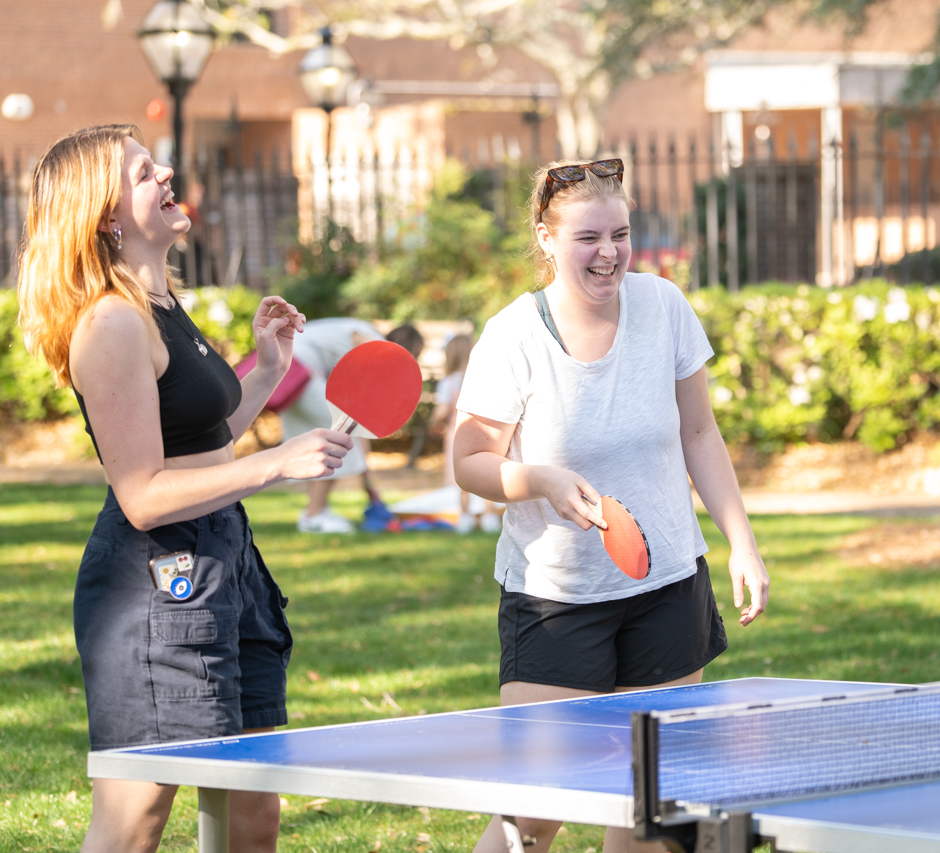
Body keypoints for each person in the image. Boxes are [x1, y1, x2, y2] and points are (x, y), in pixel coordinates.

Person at [15, 124, 352, 853]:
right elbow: (141, 492)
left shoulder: (161, 301)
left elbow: (202, 439)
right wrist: (277, 464)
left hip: (228, 563)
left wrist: (264, 370)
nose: (165, 172)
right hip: (156, 585)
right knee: (136, 821)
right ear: (107, 214)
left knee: (253, 811)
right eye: (143, 172)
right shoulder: (111, 321)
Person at [453, 158, 770, 853]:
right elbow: (469, 460)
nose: (609, 254)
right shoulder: (513, 335)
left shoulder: (664, 307)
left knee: (653, 806)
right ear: (545, 237)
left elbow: (698, 432)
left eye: (620, 234)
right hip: (556, 595)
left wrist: (741, 541)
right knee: (534, 811)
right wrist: (539, 479)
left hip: (668, 585)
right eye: (588, 238)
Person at [278, 318, 425, 532]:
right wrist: (367, 475)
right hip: (299, 370)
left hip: (285, 370)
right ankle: (314, 515)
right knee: (338, 435)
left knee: (320, 439)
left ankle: (316, 511)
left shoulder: (365, 335)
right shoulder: (377, 345)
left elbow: (360, 413)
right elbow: (358, 419)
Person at [428, 333, 501, 533]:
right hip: (484, 432)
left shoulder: (449, 382)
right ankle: (489, 516)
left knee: (462, 477)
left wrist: (434, 421)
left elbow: (442, 410)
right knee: (486, 473)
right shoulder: (482, 378)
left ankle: (465, 516)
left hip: (458, 434)